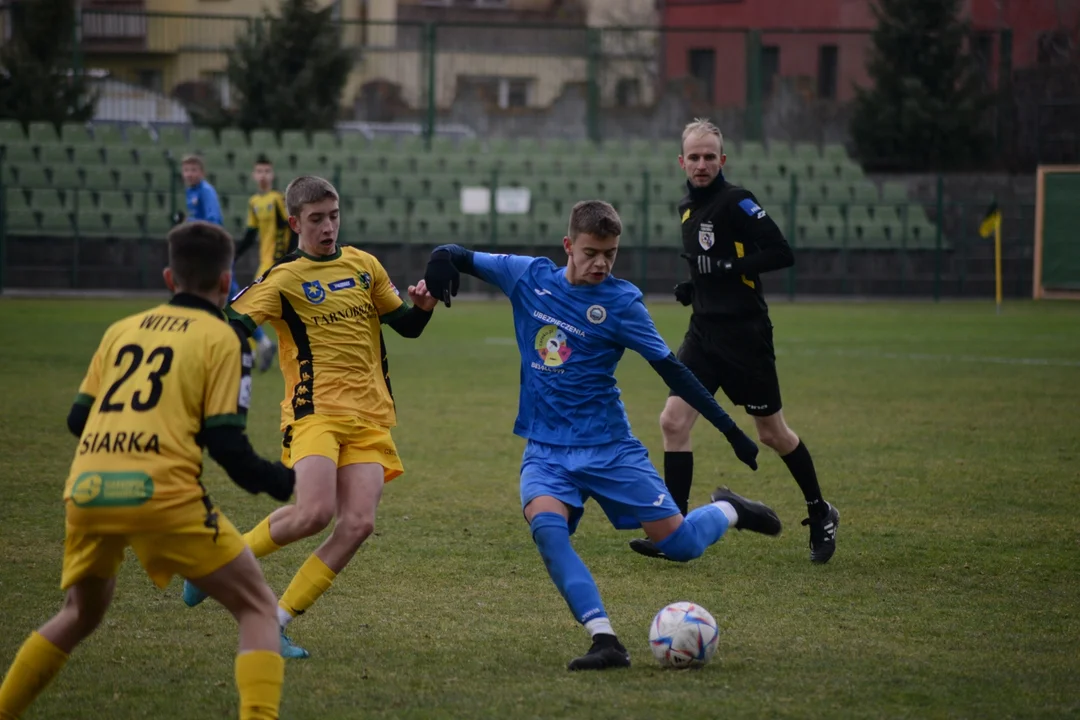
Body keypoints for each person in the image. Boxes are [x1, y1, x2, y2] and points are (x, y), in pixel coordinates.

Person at [422, 200, 781, 671]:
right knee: (548, 533)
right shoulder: (528, 276)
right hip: (546, 451)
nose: (601, 264)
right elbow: (459, 254)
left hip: (609, 448)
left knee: (680, 546)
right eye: (591, 252)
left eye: (610, 254)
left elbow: (672, 370)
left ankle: (730, 509)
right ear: (568, 246)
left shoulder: (621, 301)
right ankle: (605, 640)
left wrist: (730, 429)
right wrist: (440, 258)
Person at [0, 221, 295, 720]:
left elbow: (78, 419)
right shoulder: (224, 338)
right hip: (161, 494)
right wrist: (290, 481)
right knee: (258, 609)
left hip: (88, 490)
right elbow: (229, 447)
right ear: (226, 283)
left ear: (167, 277)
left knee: (78, 614)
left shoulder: (122, 330)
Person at [180, 176, 439, 660]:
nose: (328, 227)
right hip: (313, 412)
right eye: (316, 219)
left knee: (358, 524)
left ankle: (275, 622)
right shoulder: (282, 278)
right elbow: (233, 325)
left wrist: (422, 309)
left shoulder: (364, 266)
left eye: (333, 216)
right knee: (313, 513)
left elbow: (405, 325)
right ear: (295, 222)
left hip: (370, 415)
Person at [630, 118, 839, 565]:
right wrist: (694, 287)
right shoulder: (687, 207)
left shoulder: (737, 201)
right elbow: (705, 261)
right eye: (694, 157)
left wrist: (724, 271)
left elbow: (781, 252)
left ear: (722, 160)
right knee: (672, 422)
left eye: (710, 156)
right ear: (681, 162)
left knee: (773, 434)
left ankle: (820, 512)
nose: (702, 164)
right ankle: (674, 528)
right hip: (704, 334)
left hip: (746, 337)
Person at [178, 153, 274, 365]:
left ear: (202, 172)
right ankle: (256, 343)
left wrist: (190, 222)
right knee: (224, 298)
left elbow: (214, 221)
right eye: (186, 169)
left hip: (216, 252)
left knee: (227, 299)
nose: (190, 173)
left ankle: (248, 344)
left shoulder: (205, 191)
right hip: (207, 253)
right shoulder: (191, 192)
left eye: (194, 169)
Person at [235, 154, 296, 372]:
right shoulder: (254, 202)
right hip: (265, 263)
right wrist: (234, 256)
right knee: (257, 310)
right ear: (253, 175)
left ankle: (251, 352)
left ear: (273, 174)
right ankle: (258, 349)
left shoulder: (277, 199)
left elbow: (292, 228)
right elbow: (251, 234)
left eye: (267, 171)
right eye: (259, 171)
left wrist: (288, 258)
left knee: (249, 308)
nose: (263, 176)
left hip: (275, 264)